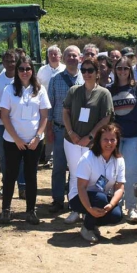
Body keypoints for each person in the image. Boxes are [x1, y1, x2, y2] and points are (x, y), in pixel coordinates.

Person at [0, 54, 50, 224]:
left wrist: (37, 137)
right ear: (17, 71)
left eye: (28, 68)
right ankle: (6, 210)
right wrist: (17, 139)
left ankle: (30, 211)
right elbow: (4, 116)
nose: (25, 72)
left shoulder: (40, 89)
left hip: (34, 142)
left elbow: (44, 116)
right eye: (21, 69)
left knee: (31, 176)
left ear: (32, 70)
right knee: (10, 175)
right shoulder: (9, 89)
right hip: (13, 141)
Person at [62, 58, 114, 224]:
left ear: (97, 73)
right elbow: (65, 112)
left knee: (96, 176)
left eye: (90, 70)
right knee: (75, 174)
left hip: (93, 143)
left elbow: (106, 118)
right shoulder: (73, 90)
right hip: (72, 141)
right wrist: (72, 133)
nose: (86, 73)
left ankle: (91, 209)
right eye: (83, 70)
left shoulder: (104, 93)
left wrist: (90, 136)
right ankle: (74, 209)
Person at [110, 56, 137, 223]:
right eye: (119, 68)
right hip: (115, 139)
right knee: (115, 173)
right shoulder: (110, 89)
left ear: (130, 70)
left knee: (132, 172)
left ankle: (132, 207)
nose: (122, 72)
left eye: (125, 68)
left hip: (134, 137)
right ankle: (116, 205)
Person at [70, 124, 125, 244]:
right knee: (100, 198)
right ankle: (87, 228)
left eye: (112, 139)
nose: (109, 143)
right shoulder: (87, 158)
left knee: (117, 214)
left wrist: (111, 205)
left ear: (117, 141)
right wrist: (89, 209)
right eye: (105, 139)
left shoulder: (119, 160)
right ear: (98, 141)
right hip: (78, 198)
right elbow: (81, 187)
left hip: (102, 198)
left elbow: (120, 187)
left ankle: (92, 223)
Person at [48, 45, 84, 213]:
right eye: (69, 55)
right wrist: (48, 129)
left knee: (77, 168)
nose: (71, 58)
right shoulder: (55, 79)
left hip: (80, 132)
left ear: (80, 58)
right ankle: (57, 199)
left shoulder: (86, 79)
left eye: (74, 56)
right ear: (64, 58)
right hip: (60, 129)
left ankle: (74, 199)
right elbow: (50, 106)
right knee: (59, 166)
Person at [0, 49, 25, 197]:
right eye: (7, 61)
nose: (10, 64)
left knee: (22, 156)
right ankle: (7, 184)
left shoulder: (23, 79)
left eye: (13, 61)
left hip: (19, 124)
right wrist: (1, 115)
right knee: (4, 156)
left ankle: (22, 185)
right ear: (3, 62)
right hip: (0, 125)